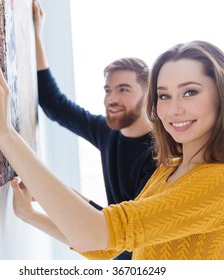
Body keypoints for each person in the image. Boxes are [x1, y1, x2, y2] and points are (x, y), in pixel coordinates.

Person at [0, 40, 224, 259]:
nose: (174, 109)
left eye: (190, 92)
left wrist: (3, 133)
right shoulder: (171, 169)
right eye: (164, 96)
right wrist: (32, 214)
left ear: (222, 96)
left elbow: (97, 232)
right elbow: (107, 247)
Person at [32, 0, 156, 260]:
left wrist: (51, 193)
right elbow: (54, 104)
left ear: (148, 96)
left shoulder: (158, 154)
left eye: (123, 89)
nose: (111, 98)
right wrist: (36, 35)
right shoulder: (106, 132)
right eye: (108, 90)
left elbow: (120, 231)